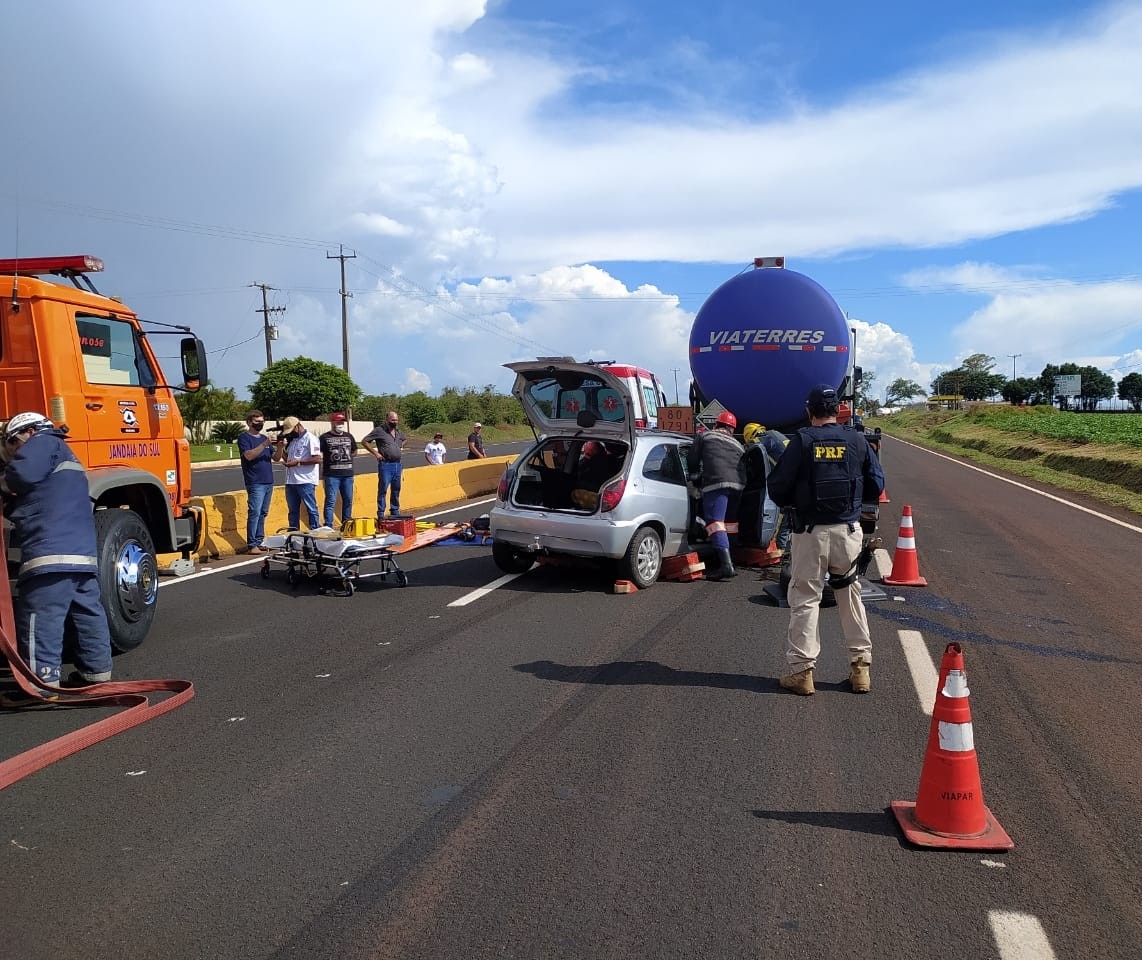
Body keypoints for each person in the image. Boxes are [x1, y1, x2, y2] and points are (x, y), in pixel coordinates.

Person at [766, 384, 885, 696]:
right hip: (848, 532)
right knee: (851, 595)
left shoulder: (802, 441)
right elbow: (876, 483)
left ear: (809, 411)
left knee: (806, 597)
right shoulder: (857, 440)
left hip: (810, 533)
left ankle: (802, 672)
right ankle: (861, 669)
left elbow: (777, 487)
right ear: (838, 411)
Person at [0, 413, 113, 706]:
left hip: (50, 551)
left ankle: (41, 684)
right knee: (86, 612)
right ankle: (96, 674)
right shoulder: (63, 453)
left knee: (40, 616)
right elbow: (38, 499)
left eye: (12, 443)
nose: (13, 452)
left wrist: (3, 481)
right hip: (80, 552)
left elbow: (21, 476)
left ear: (29, 430)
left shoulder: (41, 441)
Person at [686, 410, 745, 580]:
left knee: (715, 522)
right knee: (731, 523)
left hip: (716, 483)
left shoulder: (705, 436)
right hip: (738, 486)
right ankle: (731, 559)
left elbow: (692, 459)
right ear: (732, 429)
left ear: (716, 424)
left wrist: (695, 479)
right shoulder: (737, 444)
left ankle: (726, 565)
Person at [273, 416, 322, 530]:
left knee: (311, 509)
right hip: (291, 481)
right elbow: (288, 459)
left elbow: (317, 459)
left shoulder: (311, 438)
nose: (290, 434)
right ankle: (294, 534)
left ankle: (315, 532)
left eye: (291, 430)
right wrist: (280, 448)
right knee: (292, 511)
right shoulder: (294, 441)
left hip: (305, 480)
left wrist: (299, 463)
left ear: (298, 426)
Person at [237, 409, 276, 553]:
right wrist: (264, 444)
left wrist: (279, 447)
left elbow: (276, 458)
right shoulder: (244, 438)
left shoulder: (264, 438)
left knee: (263, 513)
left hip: (268, 481)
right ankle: (252, 544)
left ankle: (259, 541)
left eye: (262, 421)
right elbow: (249, 456)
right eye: (257, 422)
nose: (260, 424)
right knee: (255, 512)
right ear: (249, 422)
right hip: (255, 481)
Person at [362, 411, 406, 519]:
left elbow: (405, 439)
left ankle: (395, 511)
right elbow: (365, 441)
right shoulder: (379, 430)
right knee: (383, 489)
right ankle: (381, 513)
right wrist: (375, 453)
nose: (394, 422)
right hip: (386, 464)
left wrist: (399, 446)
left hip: (397, 464)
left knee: (396, 489)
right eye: (392, 420)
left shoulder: (398, 431)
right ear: (386, 420)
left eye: (396, 420)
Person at [319, 413, 358, 528]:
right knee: (331, 501)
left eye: (342, 422)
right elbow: (319, 453)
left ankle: (346, 523)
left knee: (348, 500)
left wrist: (349, 455)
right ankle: (328, 525)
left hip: (348, 474)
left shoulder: (349, 436)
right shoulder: (324, 438)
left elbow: (355, 450)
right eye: (338, 422)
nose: (340, 425)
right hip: (332, 475)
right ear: (332, 423)